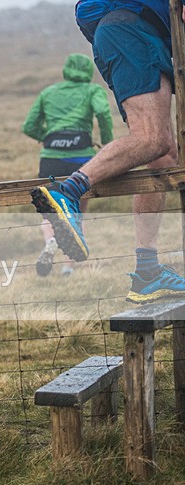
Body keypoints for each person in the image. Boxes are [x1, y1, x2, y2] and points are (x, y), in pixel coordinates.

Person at [31, 0, 185, 304]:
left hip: (130, 32)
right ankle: (67, 193)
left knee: (163, 156)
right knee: (150, 139)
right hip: (131, 30)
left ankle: (147, 271)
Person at [22, 53, 113, 277]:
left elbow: (29, 126)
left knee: (50, 212)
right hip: (81, 159)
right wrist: (109, 146)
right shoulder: (93, 90)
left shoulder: (48, 92)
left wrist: (48, 137)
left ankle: (50, 240)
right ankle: (68, 267)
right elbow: (102, 112)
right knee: (77, 213)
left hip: (51, 158)